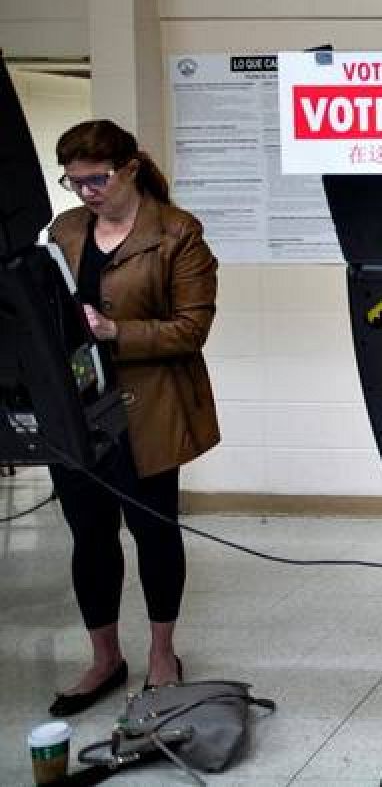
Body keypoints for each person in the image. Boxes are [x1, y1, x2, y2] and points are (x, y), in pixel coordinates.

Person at [45, 119, 220, 714]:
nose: (86, 192)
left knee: (154, 532)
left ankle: (163, 654)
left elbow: (191, 329)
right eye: (74, 182)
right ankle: (104, 659)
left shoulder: (177, 233)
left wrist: (115, 330)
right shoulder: (65, 230)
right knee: (89, 535)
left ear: (130, 169)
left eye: (97, 179)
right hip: (77, 411)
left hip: (149, 408)